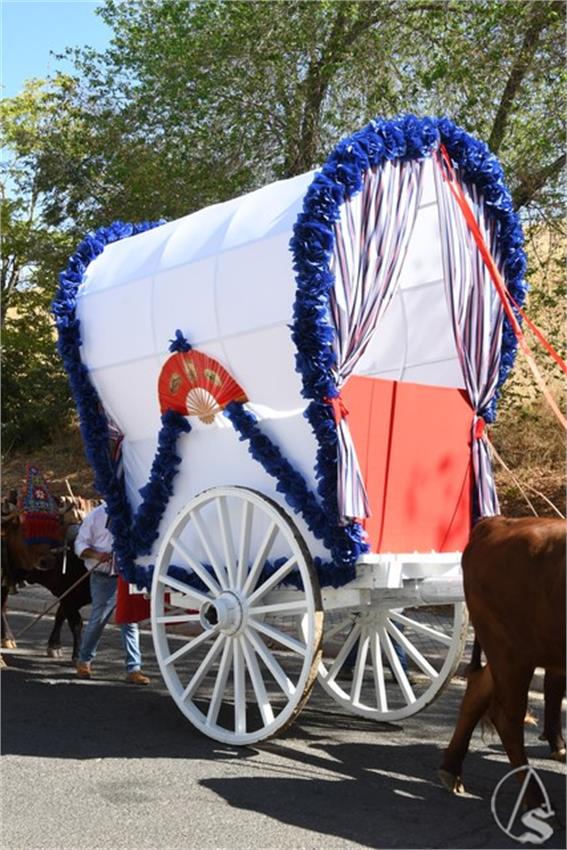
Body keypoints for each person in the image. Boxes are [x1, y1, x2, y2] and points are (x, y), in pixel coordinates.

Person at [74, 502, 149, 685]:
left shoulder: (133, 512)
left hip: (127, 575)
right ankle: (84, 661)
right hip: (103, 577)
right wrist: (97, 555)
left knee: (129, 621)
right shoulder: (96, 515)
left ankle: (134, 668)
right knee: (98, 619)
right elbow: (79, 543)